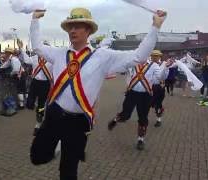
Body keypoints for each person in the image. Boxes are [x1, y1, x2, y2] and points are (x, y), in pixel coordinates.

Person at [29, 7, 167, 180]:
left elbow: (138, 56)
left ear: (88, 30)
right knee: (37, 157)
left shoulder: (102, 56)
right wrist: (34, 20)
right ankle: (57, 144)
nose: (72, 30)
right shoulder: (59, 54)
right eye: (70, 27)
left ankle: (64, 146)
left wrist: (155, 27)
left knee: (68, 169)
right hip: (54, 114)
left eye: (77, 26)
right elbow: (37, 47)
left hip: (78, 121)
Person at [17, 39, 53, 136]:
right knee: (30, 103)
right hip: (35, 83)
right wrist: (21, 48)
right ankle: (37, 108)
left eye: (46, 48)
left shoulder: (52, 60)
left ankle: (38, 124)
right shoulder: (34, 58)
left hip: (45, 84)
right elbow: (26, 59)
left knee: (41, 106)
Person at [150, 50, 170, 127]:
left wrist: (166, 68)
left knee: (157, 104)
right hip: (150, 87)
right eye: (153, 56)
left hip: (159, 87)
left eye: (157, 56)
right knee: (149, 103)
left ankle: (158, 119)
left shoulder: (164, 64)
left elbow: (164, 77)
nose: (155, 57)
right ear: (151, 57)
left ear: (159, 57)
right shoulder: (148, 65)